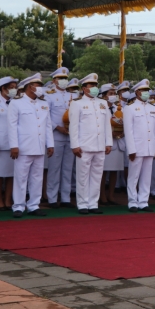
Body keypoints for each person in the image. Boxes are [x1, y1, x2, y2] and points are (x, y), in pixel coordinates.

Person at [8, 74, 54, 218]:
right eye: (37, 85)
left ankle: (34, 205)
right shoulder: (17, 103)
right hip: (23, 147)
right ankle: (18, 206)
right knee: (21, 177)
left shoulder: (43, 103)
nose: (40, 88)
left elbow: (47, 125)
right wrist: (14, 146)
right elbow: (12, 126)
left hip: (39, 146)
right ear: (29, 87)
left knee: (37, 177)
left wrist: (50, 144)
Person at [69, 73, 112, 215]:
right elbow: (73, 126)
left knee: (96, 175)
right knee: (82, 176)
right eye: (91, 85)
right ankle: (82, 204)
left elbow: (107, 125)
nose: (94, 88)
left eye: (95, 85)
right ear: (84, 88)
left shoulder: (103, 103)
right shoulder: (77, 103)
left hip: (100, 145)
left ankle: (93, 203)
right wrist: (75, 145)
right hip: (84, 146)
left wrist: (108, 142)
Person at [123, 79, 155, 212]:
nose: (146, 93)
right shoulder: (130, 108)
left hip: (149, 148)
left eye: (147, 90)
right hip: (137, 148)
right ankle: (132, 201)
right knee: (134, 176)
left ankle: (143, 201)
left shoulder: (153, 108)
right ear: (137, 92)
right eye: (144, 91)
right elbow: (128, 130)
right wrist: (131, 149)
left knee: (146, 176)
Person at [43, 67, 74, 208]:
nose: (63, 81)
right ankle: (52, 198)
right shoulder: (48, 95)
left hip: (70, 136)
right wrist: (57, 127)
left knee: (68, 168)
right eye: (60, 79)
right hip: (55, 135)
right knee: (54, 169)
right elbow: (46, 116)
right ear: (54, 81)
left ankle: (66, 197)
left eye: (65, 79)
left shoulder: (72, 96)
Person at [0, 77, 18, 211]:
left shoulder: (17, 103)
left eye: (15, 86)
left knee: (12, 174)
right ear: (3, 89)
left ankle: (8, 200)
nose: (14, 89)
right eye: (11, 87)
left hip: (14, 144)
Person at [98, 83, 123, 205]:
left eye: (114, 94)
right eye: (111, 94)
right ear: (104, 96)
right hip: (105, 143)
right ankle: (102, 195)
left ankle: (111, 195)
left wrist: (122, 132)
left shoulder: (119, 108)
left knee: (114, 170)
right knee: (102, 171)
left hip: (118, 142)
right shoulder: (100, 107)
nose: (113, 96)